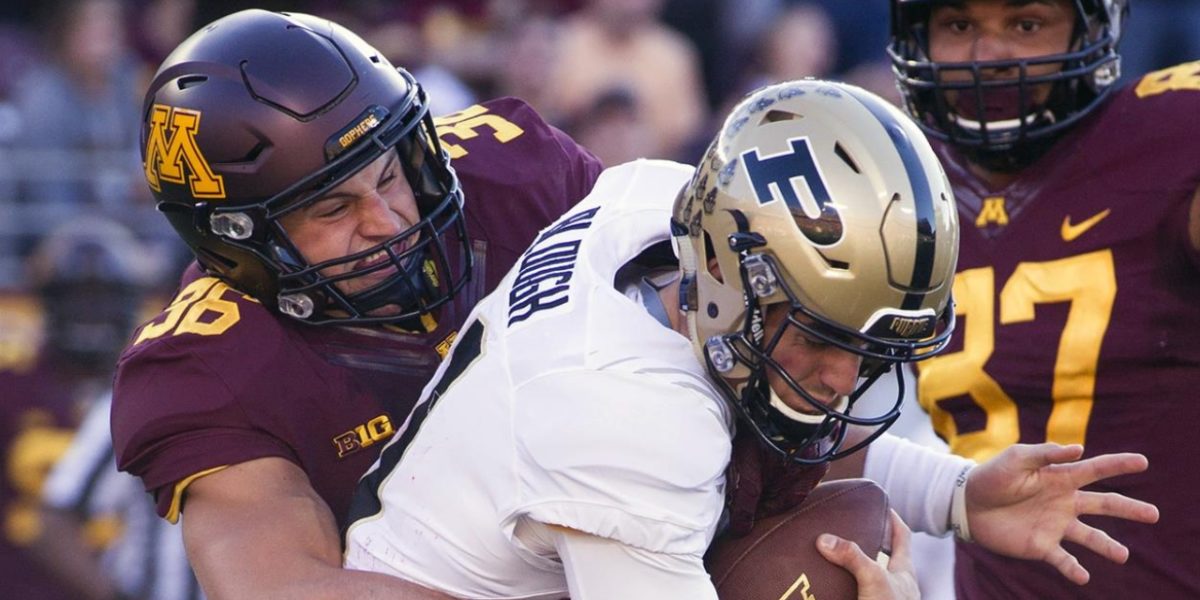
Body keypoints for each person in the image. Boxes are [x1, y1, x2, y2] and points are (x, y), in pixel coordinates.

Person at [343, 78, 1157, 598]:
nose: (845, 380)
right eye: (827, 339)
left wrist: (959, 497)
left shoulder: (658, 210)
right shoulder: (626, 424)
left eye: (873, 353)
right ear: (735, 285)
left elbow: (781, 422)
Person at [109, 9, 602, 599]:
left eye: (390, 174)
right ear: (235, 237)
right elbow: (283, 587)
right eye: (334, 209)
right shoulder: (205, 362)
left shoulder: (514, 173)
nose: (387, 221)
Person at [888, 0, 1200, 596]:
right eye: (958, 26)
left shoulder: (1175, 134)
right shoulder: (896, 180)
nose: (989, 57)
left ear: (1092, 28)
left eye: (1026, 24)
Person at [1, 216, 155, 599]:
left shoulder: (158, 394)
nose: (92, 311)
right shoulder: (10, 388)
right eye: (76, 297)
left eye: (105, 296)